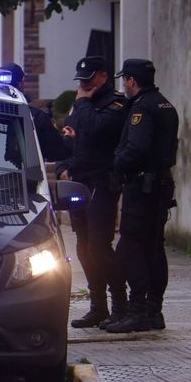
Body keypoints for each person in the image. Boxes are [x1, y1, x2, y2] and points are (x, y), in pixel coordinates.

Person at [105, 58, 180, 333]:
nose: (124, 85)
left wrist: (116, 162)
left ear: (132, 81)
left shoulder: (141, 108)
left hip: (142, 187)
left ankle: (137, 310)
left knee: (129, 247)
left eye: (125, 80)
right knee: (154, 247)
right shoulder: (165, 104)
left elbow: (135, 150)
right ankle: (153, 311)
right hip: (161, 184)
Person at [58, 55, 128, 329]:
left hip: (102, 182)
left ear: (103, 76)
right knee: (83, 247)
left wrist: (84, 102)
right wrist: (63, 166)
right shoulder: (81, 104)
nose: (85, 85)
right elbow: (67, 136)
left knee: (99, 246)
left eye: (89, 79)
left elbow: (97, 129)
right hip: (80, 182)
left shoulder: (116, 104)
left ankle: (120, 305)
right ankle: (98, 306)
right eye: (82, 81)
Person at [2, 63, 70, 162]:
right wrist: (68, 139)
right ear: (21, 84)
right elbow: (58, 152)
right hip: (27, 171)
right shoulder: (36, 117)